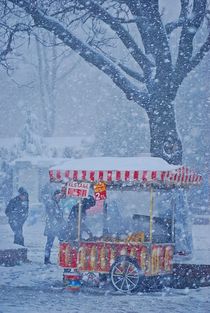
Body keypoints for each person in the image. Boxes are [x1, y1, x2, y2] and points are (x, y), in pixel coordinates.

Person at [44, 190, 64, 265]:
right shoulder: (51, 202)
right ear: (55, 195)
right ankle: (46, 259)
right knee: (50, 243)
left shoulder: (56, 203)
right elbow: (52, 215)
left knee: (59, 242)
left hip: (56, 227)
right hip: (52, 227)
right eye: (59, 195)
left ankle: (50, 259)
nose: (60, 197)